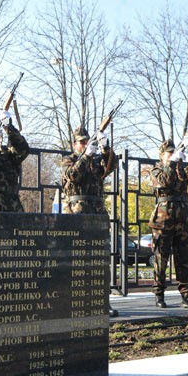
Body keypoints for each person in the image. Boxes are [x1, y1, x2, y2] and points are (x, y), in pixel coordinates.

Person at [61, 126, 118, 317]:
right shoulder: (68, 160)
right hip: (77, 214)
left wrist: (105, 147)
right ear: (74, 144)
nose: (85, 145)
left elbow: (111, 166)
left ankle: (102, 300)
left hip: (97, 212)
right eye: (82, 142)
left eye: (87, 141)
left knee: (100, 260)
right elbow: (72, 176)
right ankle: (73, 302)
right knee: (76, 260)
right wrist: (85, 156)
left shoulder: (95, 162)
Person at [148, 138, 188, 310]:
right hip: (163, 220)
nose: (172, 155)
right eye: (169, 153)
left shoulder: (180, 170)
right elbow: (164, 180)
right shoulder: (156, 170)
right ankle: (159, 293)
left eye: (174, 152)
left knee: (183, 260)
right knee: (160, 259)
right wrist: (171, 163)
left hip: (182, 220)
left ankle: (186, 295)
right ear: (162, 155)